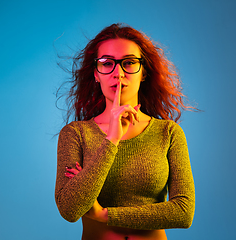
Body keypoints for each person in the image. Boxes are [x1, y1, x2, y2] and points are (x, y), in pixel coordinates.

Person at [55, 23, 195, 240]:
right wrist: (111, 140)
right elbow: (70, 209)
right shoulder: (75, 134)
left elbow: (183, 212)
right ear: (96, 74)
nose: (118, 73)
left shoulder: (169, 132)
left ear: (144, 72)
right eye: (107, 63)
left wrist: (104, 214)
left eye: (129, 63)